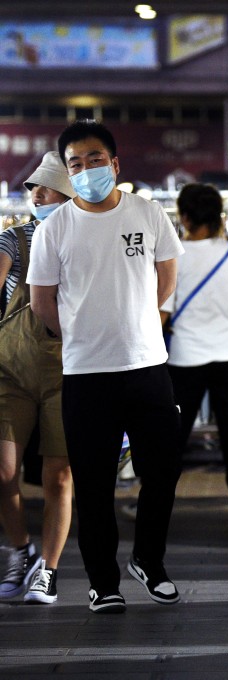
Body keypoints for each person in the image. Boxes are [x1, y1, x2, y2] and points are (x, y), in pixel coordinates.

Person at [27, 120, 185, 614]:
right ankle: (103, 582)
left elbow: (166, 279)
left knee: (162, 472)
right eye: (76, 164)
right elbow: (41, 303)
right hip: (85, 375)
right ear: (67, 173)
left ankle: (149, 561)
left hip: (147, 366)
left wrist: (134, 323)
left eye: (96, 160)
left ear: (115, 164)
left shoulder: (148, 212)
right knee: (93, 483)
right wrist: (82, 334)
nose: (87, 170)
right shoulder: (53, 229)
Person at [0, 152, 75, 604]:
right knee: (3, 470)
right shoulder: (14, 239)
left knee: (59, 475)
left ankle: (47, 567)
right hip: (9, 368)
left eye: (46, 188)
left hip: (70, 369)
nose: (37, 195)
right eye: (34, 188)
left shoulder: (85, 240)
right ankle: (19, 548)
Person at [160, 183, 228, 524]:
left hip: (185, 357)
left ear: (184, 216)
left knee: (173, 434)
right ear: (219, 216)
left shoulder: (173, 258)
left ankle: (157, 498)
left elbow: (162, 313)